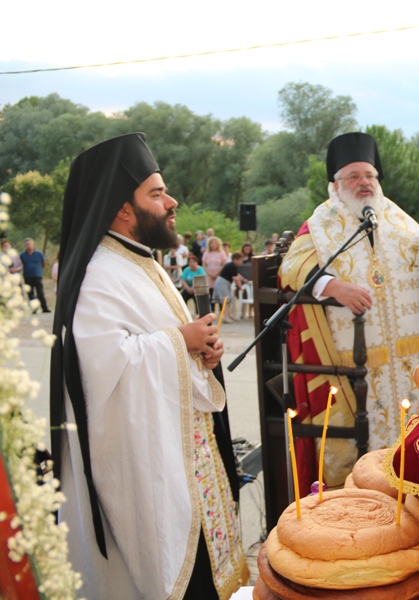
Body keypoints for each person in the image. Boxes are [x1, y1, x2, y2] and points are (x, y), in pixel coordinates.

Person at [49, 133, 247, 599]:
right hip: (153, 467)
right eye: (156, 194)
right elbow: (101, 367)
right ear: (123, 208)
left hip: (188, 459)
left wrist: (203, 354)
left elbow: (163, 345)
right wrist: (180, 340)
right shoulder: (99, 274)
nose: (171, 201)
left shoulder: (144, 263)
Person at [278, 132, 419, 489]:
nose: (363, 182)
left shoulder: (397, 219)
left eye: (369, 175)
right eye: (353, 176)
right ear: (334, 185)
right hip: (350, 372)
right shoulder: (320, 224)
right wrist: (333, 286)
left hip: (406, 368)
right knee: (360, 470)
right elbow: (291, 266)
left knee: (411, 458)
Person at [213, 252, 247, 323]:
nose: (241, 262)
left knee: (228, 299)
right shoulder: (231, 265)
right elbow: (236, 278)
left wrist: (244, 280)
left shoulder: (233, 266)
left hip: (225, 283)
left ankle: (228, 315)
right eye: (240, 260)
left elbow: (237, 275)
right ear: (236, 259)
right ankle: (226, 317)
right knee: (225, 300)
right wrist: (240, 287)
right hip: (223, 282)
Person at [20, 237, 50, 313]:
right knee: (30, 293)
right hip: (27, 276)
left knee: (40, 292)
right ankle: (34, 308)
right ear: (25, 245)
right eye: (27, 244)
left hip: (37, 275)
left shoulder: (39, 253)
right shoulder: (22, 255)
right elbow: (21, 264)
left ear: (33, 244)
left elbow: (43, 263)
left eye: (29, 243)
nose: (28, 245)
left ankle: (44, 307)